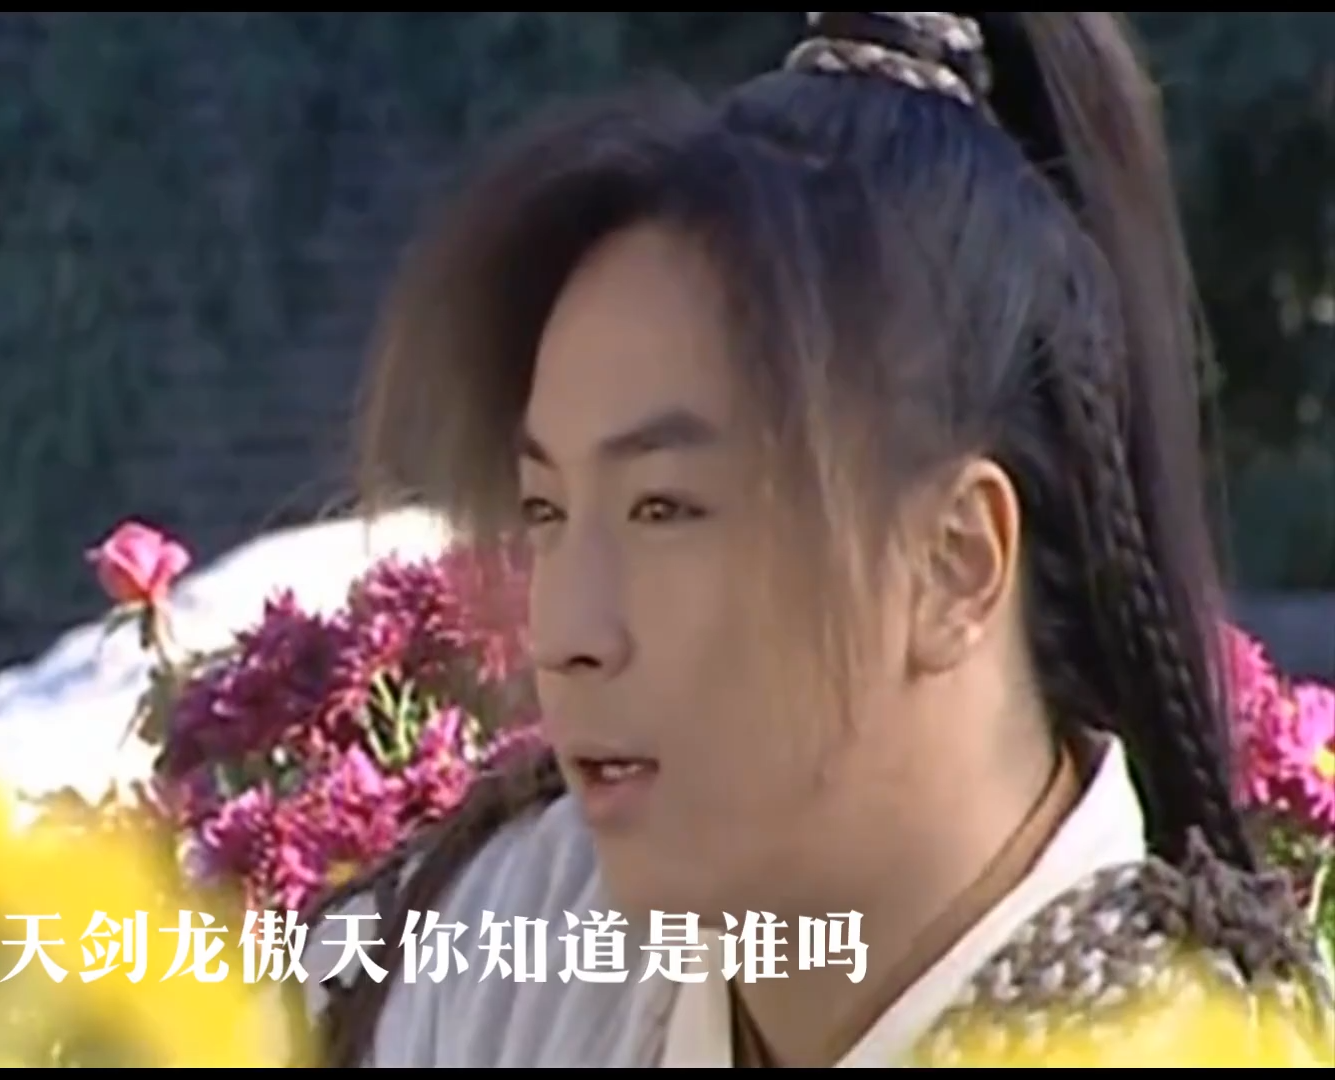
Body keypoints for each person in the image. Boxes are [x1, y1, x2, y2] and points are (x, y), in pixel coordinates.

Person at [298, 12, 1333, 1067]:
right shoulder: (521, 932)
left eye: (664, 509)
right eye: (546, 512)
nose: (564, 633)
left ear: (954, 563)